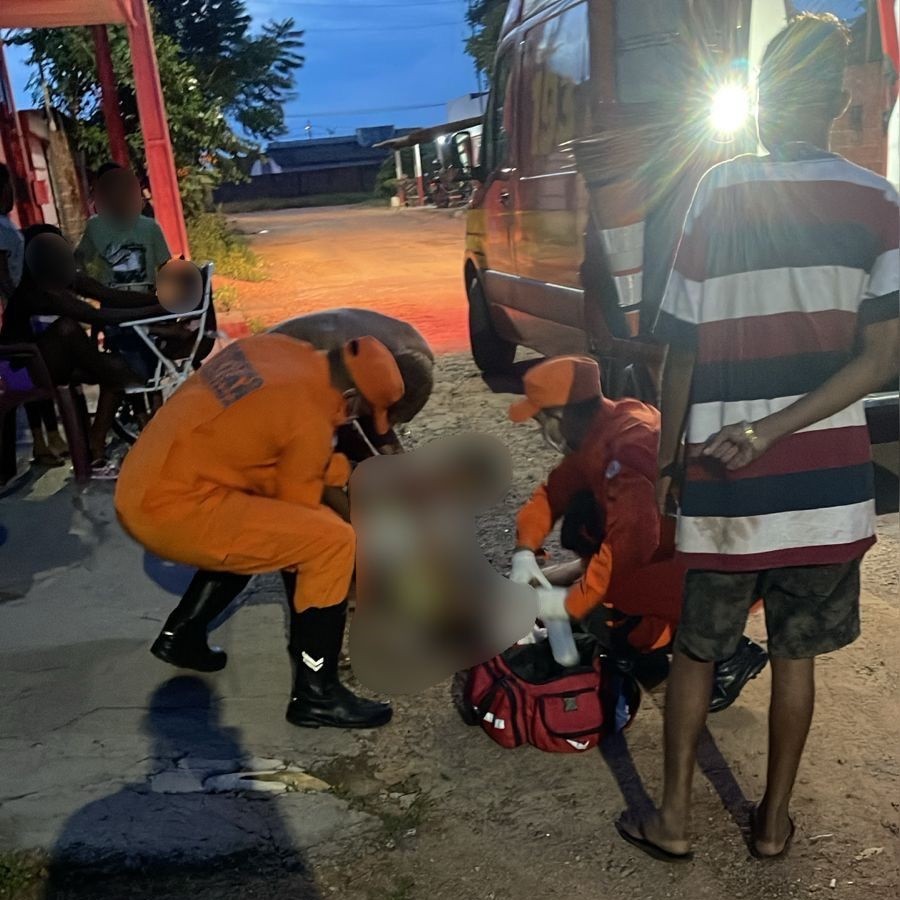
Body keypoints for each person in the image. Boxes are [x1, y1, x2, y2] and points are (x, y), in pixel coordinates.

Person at [620, 13, 899, 862]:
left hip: (727, 482)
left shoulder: (721, 190)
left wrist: (671, 458)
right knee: (797, 658)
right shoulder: (881, 203)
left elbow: (682, 346)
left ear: (766, 98)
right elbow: (880, 359)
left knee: (696, 652)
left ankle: (673, 819)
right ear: (839, 101)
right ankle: (772, 824)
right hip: (827, 486)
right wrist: (779, 428)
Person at [115, 333, 405, 729]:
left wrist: (337, 472)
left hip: (146, 476)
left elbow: (268, 442)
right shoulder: (308, 412)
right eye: (358, 412)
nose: (350, 418)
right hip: (169, 510)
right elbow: (302, 513)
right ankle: (316, 692)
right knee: (328, 543)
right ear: (351, 395)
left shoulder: (278, 349)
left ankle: (182, 635)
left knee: (259, 529)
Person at [508, 356, 766, 708]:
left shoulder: (627, 447)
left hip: (734, 563)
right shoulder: (605, 426)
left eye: (541, 420)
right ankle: (659, 629)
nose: (542, 432)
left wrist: (573, 601)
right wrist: (526, 550)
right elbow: (554, 493)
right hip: (710, 545)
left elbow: (631, 546)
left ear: (560, 416)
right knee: (589, 550)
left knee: (612, 594)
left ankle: (725, 651)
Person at [0, 226, 161, 476]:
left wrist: (160, 299)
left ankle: (95, 448)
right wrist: (160, 310)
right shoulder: (36, 291)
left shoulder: (66, 279)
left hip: (52, 364)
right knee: (68, 329)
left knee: (114, 370)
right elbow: (98, 315)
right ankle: (104, 434)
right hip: (20, 371)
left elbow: (111, 296)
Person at [272, 308, 435, 522]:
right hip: (275, 377)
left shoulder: (405, 357)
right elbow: (319, 471)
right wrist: (358, 523)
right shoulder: (324, 382)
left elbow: (375, 421)